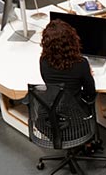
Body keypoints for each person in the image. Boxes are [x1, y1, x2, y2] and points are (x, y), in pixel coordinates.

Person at [39, 19, 101, 153]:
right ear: (72, 41)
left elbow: (49, 84)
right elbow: (90, 92)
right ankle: (89, 145)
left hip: (48, 121)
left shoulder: (43, 61)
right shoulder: (81, 64)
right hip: (77, 122)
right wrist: (87, 74)